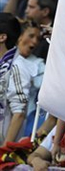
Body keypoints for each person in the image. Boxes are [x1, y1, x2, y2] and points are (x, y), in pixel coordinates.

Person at [0, 13, 21, 145]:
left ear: (2, 37)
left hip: (4, 143)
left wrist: (4, 152)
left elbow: (19, 113)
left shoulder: (18, 66)